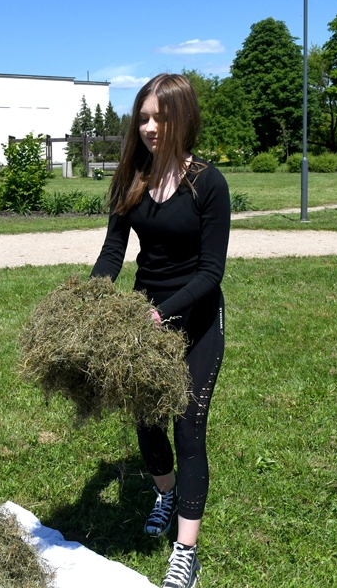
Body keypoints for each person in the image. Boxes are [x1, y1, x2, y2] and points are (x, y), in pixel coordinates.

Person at [90, 73, 230, 588]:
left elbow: (210, 273)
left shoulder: (209, 184)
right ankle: (166, 494)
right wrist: (91, 299)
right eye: (143, 118)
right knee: (147, 422)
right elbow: (112, 253)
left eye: (161, 118)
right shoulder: (132, 178)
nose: (150, 127)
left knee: (188, 427)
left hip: (195, 320)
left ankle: (185, 553)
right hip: (145, 317)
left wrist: (160, 314)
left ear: (183, 119)